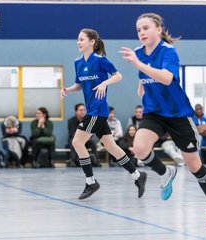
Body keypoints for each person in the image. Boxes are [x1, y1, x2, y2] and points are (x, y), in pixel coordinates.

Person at [119, 13, 206, 224]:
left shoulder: (168, 52)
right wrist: (142, 84)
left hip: (177, 114)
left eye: (146, 28)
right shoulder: (139, 53)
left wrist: (139, 65)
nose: (141, 33)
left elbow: (166, 78)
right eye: (138, 30)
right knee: (139, 149)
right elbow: (145, 77)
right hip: (154, 113)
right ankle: (165, 173)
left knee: (194, 165)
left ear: (158, 29)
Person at [61, 28, 147, 200]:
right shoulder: (78, 62)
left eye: (82, 39)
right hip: (94, 110)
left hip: (97, 110)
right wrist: (68, 90)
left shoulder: (100, 60)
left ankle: (91, 181)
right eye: (77, 39)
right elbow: (79, 85)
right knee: (111, 146)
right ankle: (138, 176)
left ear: (92, 42)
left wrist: (104, 83)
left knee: (77, 142)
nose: (78, 42)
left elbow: (118, 75)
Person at [67, 103, 98, 167]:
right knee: (72, 141)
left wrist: (87, 138)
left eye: (84, 110)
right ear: (76, 111)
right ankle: (73, 160)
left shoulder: (88, 120)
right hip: (76, 139)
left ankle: (95, 160)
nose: (83, 112)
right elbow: (72, 133)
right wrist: (81, 139)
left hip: (87, 139)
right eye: (81, 110)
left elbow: (91, 131)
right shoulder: (71, 121)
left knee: (93, 143)